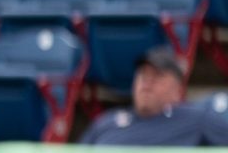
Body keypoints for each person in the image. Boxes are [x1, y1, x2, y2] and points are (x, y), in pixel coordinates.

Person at [78, 48, 228, 146]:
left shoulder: (194, 119)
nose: (147, 83)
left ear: (177, 90)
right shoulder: (107, 122)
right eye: (143, 75)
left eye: (157, 76)